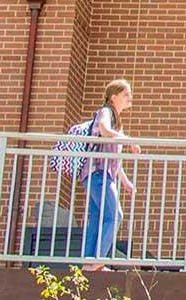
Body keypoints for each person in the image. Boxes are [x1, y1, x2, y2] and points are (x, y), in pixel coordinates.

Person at [81, 79, 139, 270]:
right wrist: (128, 140)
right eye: (126, 94)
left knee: (98, 218)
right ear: (113, 97)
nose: (129, 98)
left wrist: (126, 182)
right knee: (115, 216)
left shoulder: (117, 122)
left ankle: (89, 262)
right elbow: (105, 131)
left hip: (102, 174)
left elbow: (115, 159)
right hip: (98, 173)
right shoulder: (106, 112)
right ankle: (97, 260)